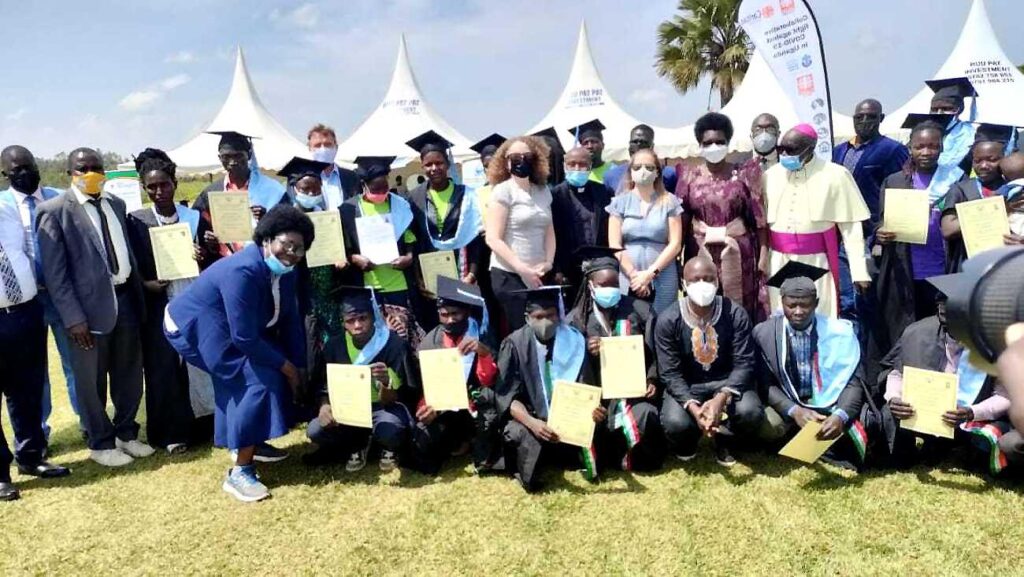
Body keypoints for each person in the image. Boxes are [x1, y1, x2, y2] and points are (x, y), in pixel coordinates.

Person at [164, 205, 313, 502]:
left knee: (265, 370)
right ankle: (240, 472)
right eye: (286, 244)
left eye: (299, 249)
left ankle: (250, 441)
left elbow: (290, 320)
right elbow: (243, 337)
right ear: (267, 239)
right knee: (253, 381)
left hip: (234, 326)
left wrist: (299, 364)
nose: (292, 253)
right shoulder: (242, 270)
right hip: (192, 325)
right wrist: (287, 368)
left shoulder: (287, 271)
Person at [36, 148, 152, 467]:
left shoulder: (116, 203)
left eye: (96, 167)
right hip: (86, 313)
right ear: (69, 173)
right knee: (92, 381)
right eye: (82, 168)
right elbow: (55, 274)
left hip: (126, 298)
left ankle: (127, 434)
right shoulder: (55, 210)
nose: (90, 173)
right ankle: (101, 443)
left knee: (129, 373)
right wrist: (73, 319)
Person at [880, 274, 1012, 473]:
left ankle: (965, 451)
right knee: (887, 414)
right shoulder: (917, 332)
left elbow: (1005, 396)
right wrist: (894, 398)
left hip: (972, 417)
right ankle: (912, 455)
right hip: (925, 416)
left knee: (994, 439)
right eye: (943, 316)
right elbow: (897, 373)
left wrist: (971, 412)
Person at [125, 148, 210, 454]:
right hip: (157, 302)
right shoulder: (135, 221)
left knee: (196, 364)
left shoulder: (193, 218)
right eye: (152, 187)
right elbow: (130, 265)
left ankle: (203, 426)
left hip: (191, 297)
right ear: (144, 188)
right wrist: (146, 284)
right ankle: (170, 433)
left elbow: (210, 261)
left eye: (164, 184)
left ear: (174, 183)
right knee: (163, 368)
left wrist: (201, 255)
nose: (159, 191)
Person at [753, 262, 875, 469]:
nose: (798, 311)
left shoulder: (839, 333)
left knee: (869, 423)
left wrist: (840, 416)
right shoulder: (764, 333)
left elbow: (853, 383)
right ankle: (802, 438)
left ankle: (814, 440)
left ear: (816, 302)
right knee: (769, 426)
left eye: (805, 305)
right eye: (791, 305)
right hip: (789, 407)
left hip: (829, 403)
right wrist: (794, 411)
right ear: (782, 302)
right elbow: (766, 385)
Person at [0, 145, 78, 435]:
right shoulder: (3, 207)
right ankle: (39, 432)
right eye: (16, 169)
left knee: (74, 364)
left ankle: (88, 424)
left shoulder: (60, 198)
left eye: (28, 165)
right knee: (34, 374)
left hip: (63, 296)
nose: (24, 172)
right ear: (5, 174)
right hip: (25, 301)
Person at [655, 256, 762, 466]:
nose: (702, 285)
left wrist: (721, 398)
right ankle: (688, 442)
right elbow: (669, 373)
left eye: (708, 279)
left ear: (717, 282)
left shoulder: (735, 313)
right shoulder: (668, 319)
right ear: (683, 284)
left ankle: (726, 441)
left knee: (750, 411)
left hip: (727, 382)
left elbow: (744, 363)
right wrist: (695, 409)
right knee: (675, 423)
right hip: (688, 384)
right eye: (695, 280)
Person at [495, 286, 604, 492]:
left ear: (559, 315)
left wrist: (594, 410)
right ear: (527, 318)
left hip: (567, 421)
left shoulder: (574, 341)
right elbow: (508, 397)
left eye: (551, 315)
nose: (545, 322)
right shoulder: (514, 344)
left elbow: (585, 390)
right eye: (538, 316)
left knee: (599, 427)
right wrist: (533, 423)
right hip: (531, 418)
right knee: (522, 435)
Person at [304, 286, 423, 473]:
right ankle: (358, 445)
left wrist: (385, 384)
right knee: (315, 430)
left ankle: (386, 447)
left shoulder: (393, 345)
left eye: (362, 318)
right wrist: (324, 406)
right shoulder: (334, 346)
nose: (357, 325)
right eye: (351, 320)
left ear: (373, 317)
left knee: (391, 430)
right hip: (348, 410)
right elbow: (324, 386)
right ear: (343, 322)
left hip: (383, 408)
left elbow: (403, 396)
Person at [0, 191, 71, 501]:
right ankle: (0, 474)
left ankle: (30, 457)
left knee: (27, 390)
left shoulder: (6, 210)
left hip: (25, 313)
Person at [570, 246, 664, 471]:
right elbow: (568, 366)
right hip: (598, 397)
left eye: (614, 284)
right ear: (591, 285)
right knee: (589, 421)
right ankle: (606, 456)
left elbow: (656, 351)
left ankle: (637, 458)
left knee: (646, 415)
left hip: (633, 394)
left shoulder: (640, 310)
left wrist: (652, 379)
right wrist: (586, 351)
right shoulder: (577, 320)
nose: (610, 289)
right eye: (603, 285)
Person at [764, 123, 871, 318]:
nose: (785, 155)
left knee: (818, 316)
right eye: (782, 149)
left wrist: (859, 271)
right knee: (779, 315)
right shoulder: (770, 175)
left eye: (792, 150)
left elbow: (851, 230)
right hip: (778, 261)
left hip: (816, 262)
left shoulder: (836, 175)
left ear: (810, 148)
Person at [676, 112, 769, 323]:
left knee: (738, 310)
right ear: (699, 144)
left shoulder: (744, 173)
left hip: (740, 253)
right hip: (699, 252)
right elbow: (681, 221)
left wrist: (763, 257)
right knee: (702, 304)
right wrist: (677, 262)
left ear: (728, 143)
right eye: (707, 142)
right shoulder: (688, 175)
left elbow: (759, 220)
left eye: (720, 141)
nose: (714, 146)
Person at [872, 118, 951, 358]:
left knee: (940, 333)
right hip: (904, 272)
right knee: (904, 332)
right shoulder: (895, 181)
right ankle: (898, 381)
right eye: (919, 146)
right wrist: (880, 233)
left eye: (933, 146)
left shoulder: (955, 181)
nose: (926, 152)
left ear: (942, 147)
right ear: (910, 148)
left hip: (943, 271)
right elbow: (881, 220)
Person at [415, 277, 502, 472]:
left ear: (467, 311)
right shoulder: (430, 342)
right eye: (444, 314)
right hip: (446, 407)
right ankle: (460, 441)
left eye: (455, 314)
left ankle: (475, 443)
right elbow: (427, 386)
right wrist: (426, 408)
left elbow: (490, 380)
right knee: (423, 436)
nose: (450, 320)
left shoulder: (484, 333)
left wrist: (484, 353)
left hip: (478, 402)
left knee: (489, 419)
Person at [405, 130, 485, 331]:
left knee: (465, 326)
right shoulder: (414, 198)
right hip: (430, 278)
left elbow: (475, 240)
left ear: (448, 164)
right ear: (422, 166)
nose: (434, 168)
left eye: (439, 163)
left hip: (462, 271)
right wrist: (419, 278)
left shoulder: (467, 196)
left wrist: (472, 275)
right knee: (436, 328)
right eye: (428, 164)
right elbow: (412, 241)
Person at [340, 156, 423, 346]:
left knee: (401, 338)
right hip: (367, 286)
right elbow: (343, 247)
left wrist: (408, 258)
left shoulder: (400, 205)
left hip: (397, 284)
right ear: (364, 185)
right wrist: (354, 258)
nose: (381, 193)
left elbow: (410, 238)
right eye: (376, 189)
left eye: (384, 188)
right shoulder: (348, 209)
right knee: (372, 338)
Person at [279, 156, 348, 373]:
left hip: (328, 293)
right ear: (294, 187)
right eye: (305, 188)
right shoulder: (285, 220)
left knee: (332, 343)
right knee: (305, 344)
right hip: (299, 294)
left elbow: (340, 248)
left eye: (316, 189)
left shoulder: (327, 217)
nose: (311, 194)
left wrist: (340, 259)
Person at [484, 136, 555, 335]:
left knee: (544, 331)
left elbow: (549, 231)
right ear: (505, 161)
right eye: (514, 156)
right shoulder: (502, 191)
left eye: (526, 156)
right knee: (522, 334)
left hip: (540, 275)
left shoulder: (543, 191)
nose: (521, 160)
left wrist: (548, 262)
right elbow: (493, 238)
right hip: (510, 275)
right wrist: (522, 268)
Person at [192, 131, 287, 269]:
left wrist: (267, 221)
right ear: (219, 158)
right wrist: (210, 242)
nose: (232, 162)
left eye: (238, 155)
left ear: (248, 155)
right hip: (226, 265)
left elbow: (289, 230)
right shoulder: (211, 193)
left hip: (264, 264)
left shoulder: (273, 190)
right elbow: (200, 235)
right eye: (226, 157)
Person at [606, 148, 683, 314]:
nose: (643, 171)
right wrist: (635, 276)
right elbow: (614, 243)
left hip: (663, 275)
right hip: (629, 277)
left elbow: (675, 243)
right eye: (638, 167)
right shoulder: (619, 202)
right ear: (630, 172)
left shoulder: (670, 201)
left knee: (663, 324)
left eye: (649, 168)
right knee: (630, 324)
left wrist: (650, 274)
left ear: (657, 172)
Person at [940, 125, 1012, 273]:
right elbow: (948, 229)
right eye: (977, 161)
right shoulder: (960, 189)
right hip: (968, 265)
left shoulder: (1013, 189)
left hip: (1006, 265)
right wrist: (996, 208)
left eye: (992, 160)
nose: (984, 166)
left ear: (1005, 158)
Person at [832, 99, 910, 230]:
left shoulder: (892, 149)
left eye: (871, 117)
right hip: (841, 225)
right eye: (859, 117)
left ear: (881, 118)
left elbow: (899, 190)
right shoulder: (839, 150)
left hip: (871, 228)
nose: (864, 121)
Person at [551, 147, 613, 292]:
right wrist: (557, 269)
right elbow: (552, 235)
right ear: (564, 166)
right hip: (568, 269)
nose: (577, 168)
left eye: (582, 164)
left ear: (590, 166)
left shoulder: (603, 192)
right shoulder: (555, 195)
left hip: (599, 266)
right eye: (572, 164)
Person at [603, 124, 678, 193]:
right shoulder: (611, 176)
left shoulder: (670, 174)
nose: (638, 146)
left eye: (643, 142)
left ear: (652, 146)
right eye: (634, 142)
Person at [307, 123, 361, 206]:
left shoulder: (352, 177)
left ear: (336, 147)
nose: (323, 149)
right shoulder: (302, 180)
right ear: (310, 149)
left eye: (328, 145)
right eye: (317, 145)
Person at [567, 119, 612, 186]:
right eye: (585, 143)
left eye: (594, 142)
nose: (589, 146)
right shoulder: (576, 174)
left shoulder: (613, 170)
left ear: (602, 145)